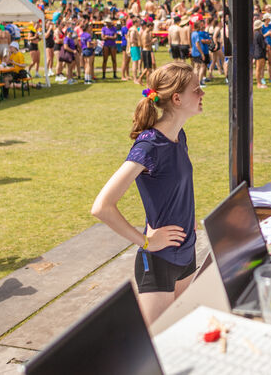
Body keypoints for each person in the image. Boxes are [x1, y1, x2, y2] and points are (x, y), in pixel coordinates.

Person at [91, 63, 203, 325]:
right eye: (196, 89)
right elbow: (102, 206)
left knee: (182, 336)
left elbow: (173, 188)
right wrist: (145, 242)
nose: (202, 94)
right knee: (156, 344)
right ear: (177, 99)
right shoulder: (149, 145)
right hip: (158, 262)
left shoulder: (179, 136)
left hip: (187, 254)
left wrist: (187, 217)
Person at [190, 19, 212, 85]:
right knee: (202, 66)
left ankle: (195, 81)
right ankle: (200, 82)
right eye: (200, 25)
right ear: (198, 26)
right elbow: (197, 44)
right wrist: (202, 54)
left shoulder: (193, 33)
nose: (201, 26)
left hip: (194, 53)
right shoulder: (196, 34)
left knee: (196, 67)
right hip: (198, 53)